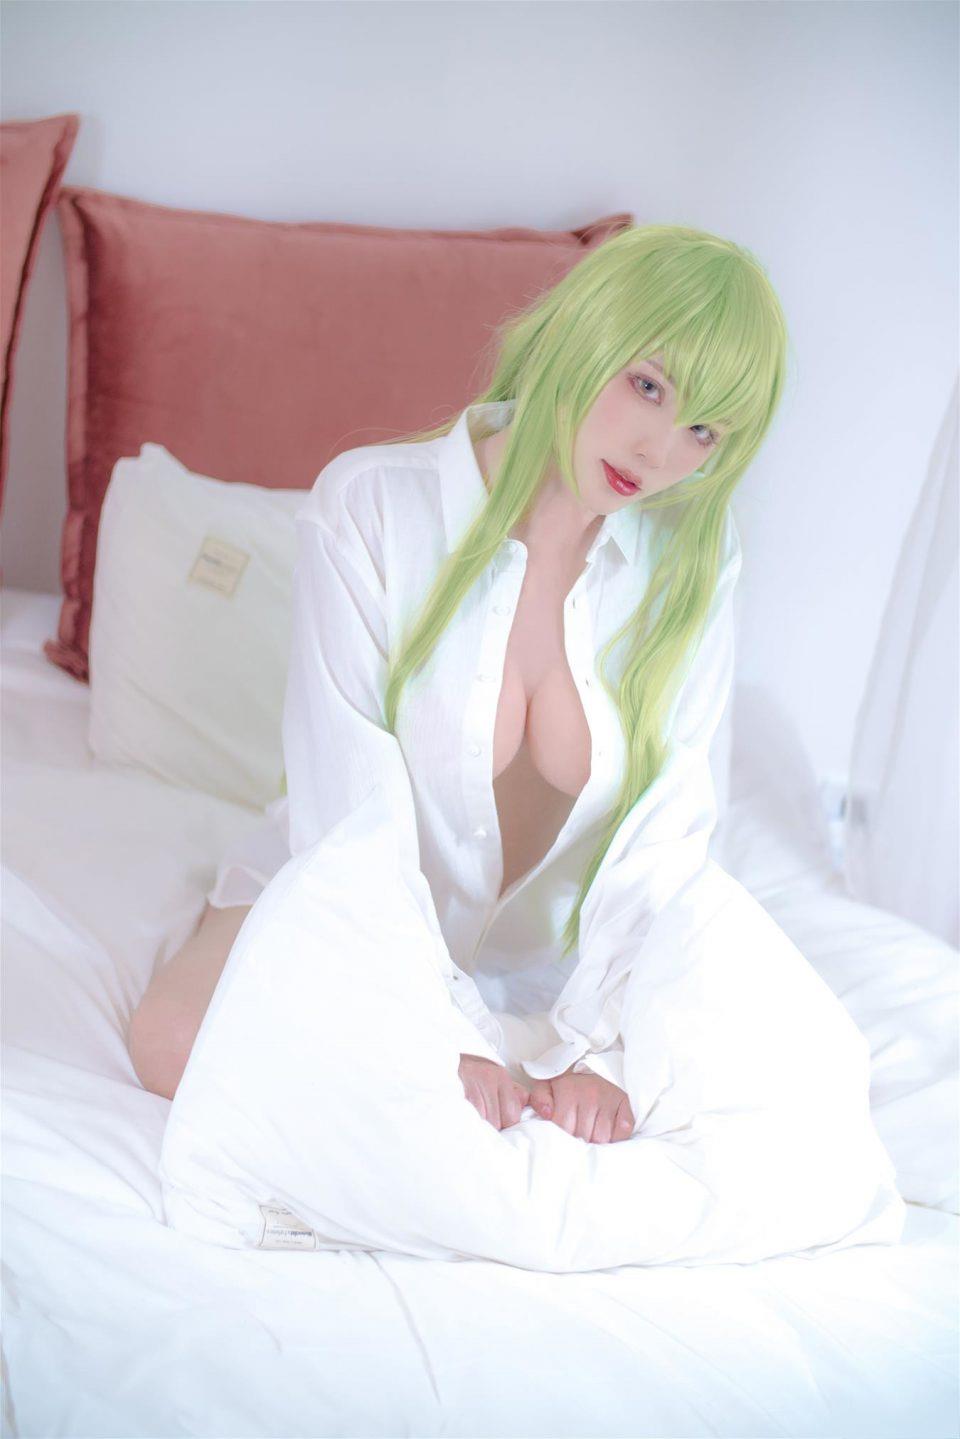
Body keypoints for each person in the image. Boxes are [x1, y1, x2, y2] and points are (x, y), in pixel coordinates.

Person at [129, 222, 786, 1146]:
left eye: (702, 430)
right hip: (353, 909)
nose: (657, 452)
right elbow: (348, 814)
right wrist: (439, 1026)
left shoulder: (690, 568)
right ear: (587, 328)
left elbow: (668, 833)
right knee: (175, 1043)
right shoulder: (370, 508)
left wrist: (597, 1045)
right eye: (647, 385)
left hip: (546, 966)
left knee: (739, 1104)